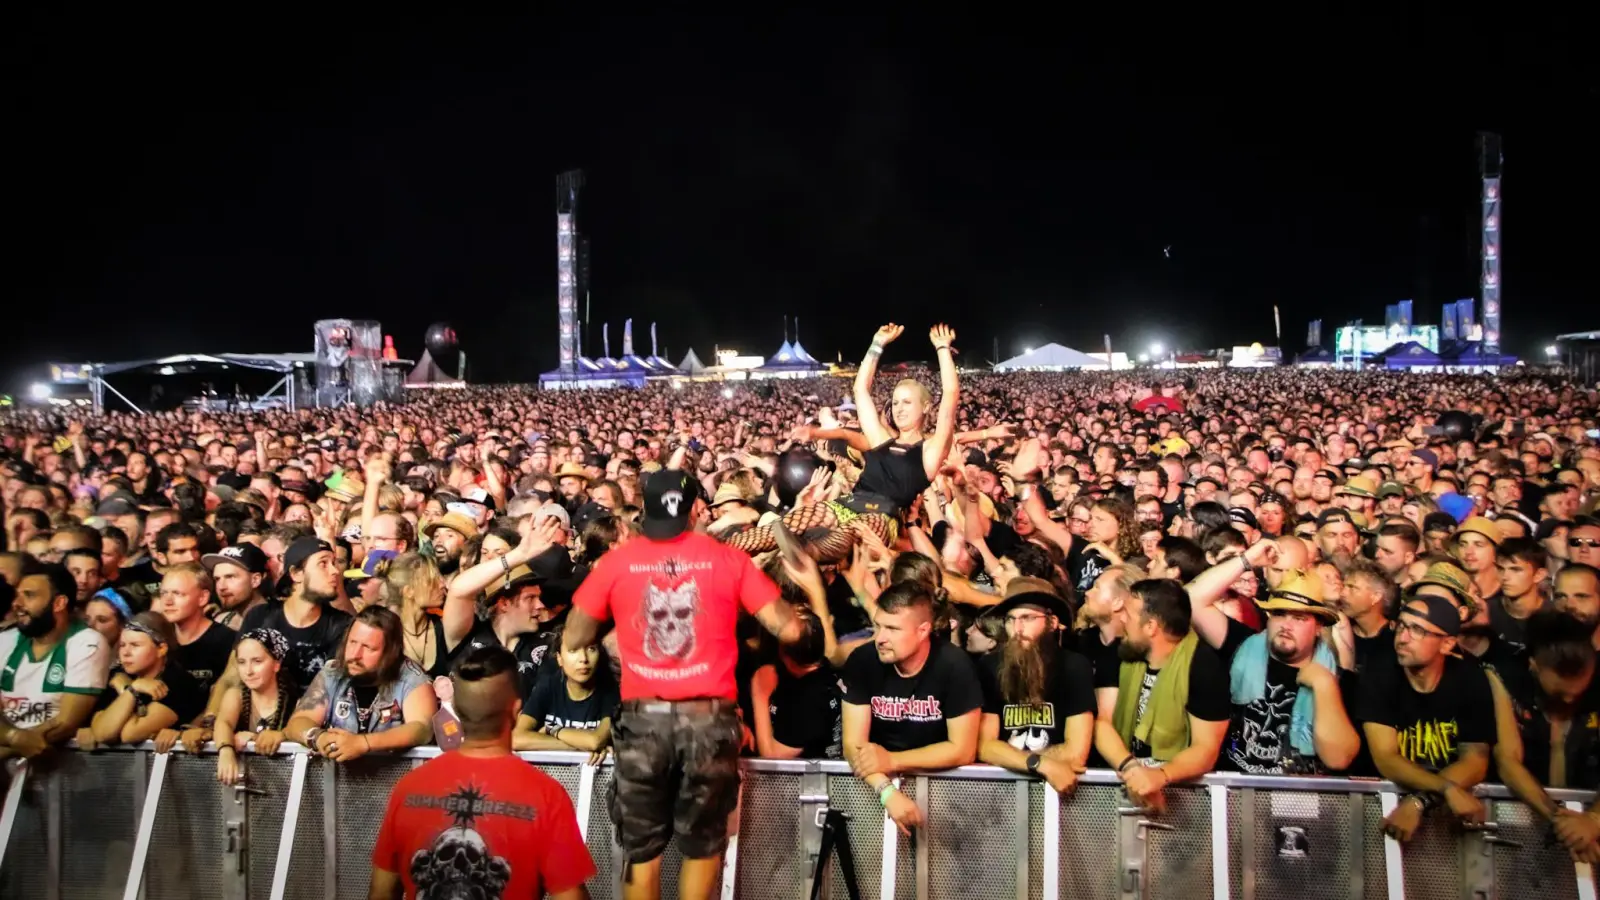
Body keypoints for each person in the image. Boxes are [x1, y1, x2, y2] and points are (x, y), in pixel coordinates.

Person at [562, 468, 803, 900]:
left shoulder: (618, 562)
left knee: (642, 852)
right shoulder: (728, 559)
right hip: (708, 721)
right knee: (703, 846)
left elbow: (575, 638)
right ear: (696, 508)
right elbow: (788, 630)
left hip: (642, 723)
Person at [369, 646, 594, 900]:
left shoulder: (407, 788)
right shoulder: (547, 796)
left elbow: (380, 894)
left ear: (458, 711)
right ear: (515, 710)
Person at [0, 560, 112, 758]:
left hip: (62, 773)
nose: (17, 603)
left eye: (29, 595)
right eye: (18, 595)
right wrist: (14, 738)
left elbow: (65, 723)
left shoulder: (87, 643)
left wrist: (9, 746)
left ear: (59, 603)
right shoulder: (5, 640)